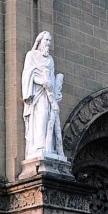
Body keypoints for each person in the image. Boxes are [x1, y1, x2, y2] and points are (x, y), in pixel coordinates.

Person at [22, 31, 65, 160]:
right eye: (46, 40)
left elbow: (51, 76)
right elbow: (29, 74)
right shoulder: (31, 55)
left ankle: (48, 147)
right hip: (37, 93)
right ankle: (39, 146)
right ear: (40, 41)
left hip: (48, 93)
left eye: (50, 41)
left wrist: (55, 92)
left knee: (48, 118)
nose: (48, 43)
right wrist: (42, 82)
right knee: (41, 116)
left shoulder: (50, 59)